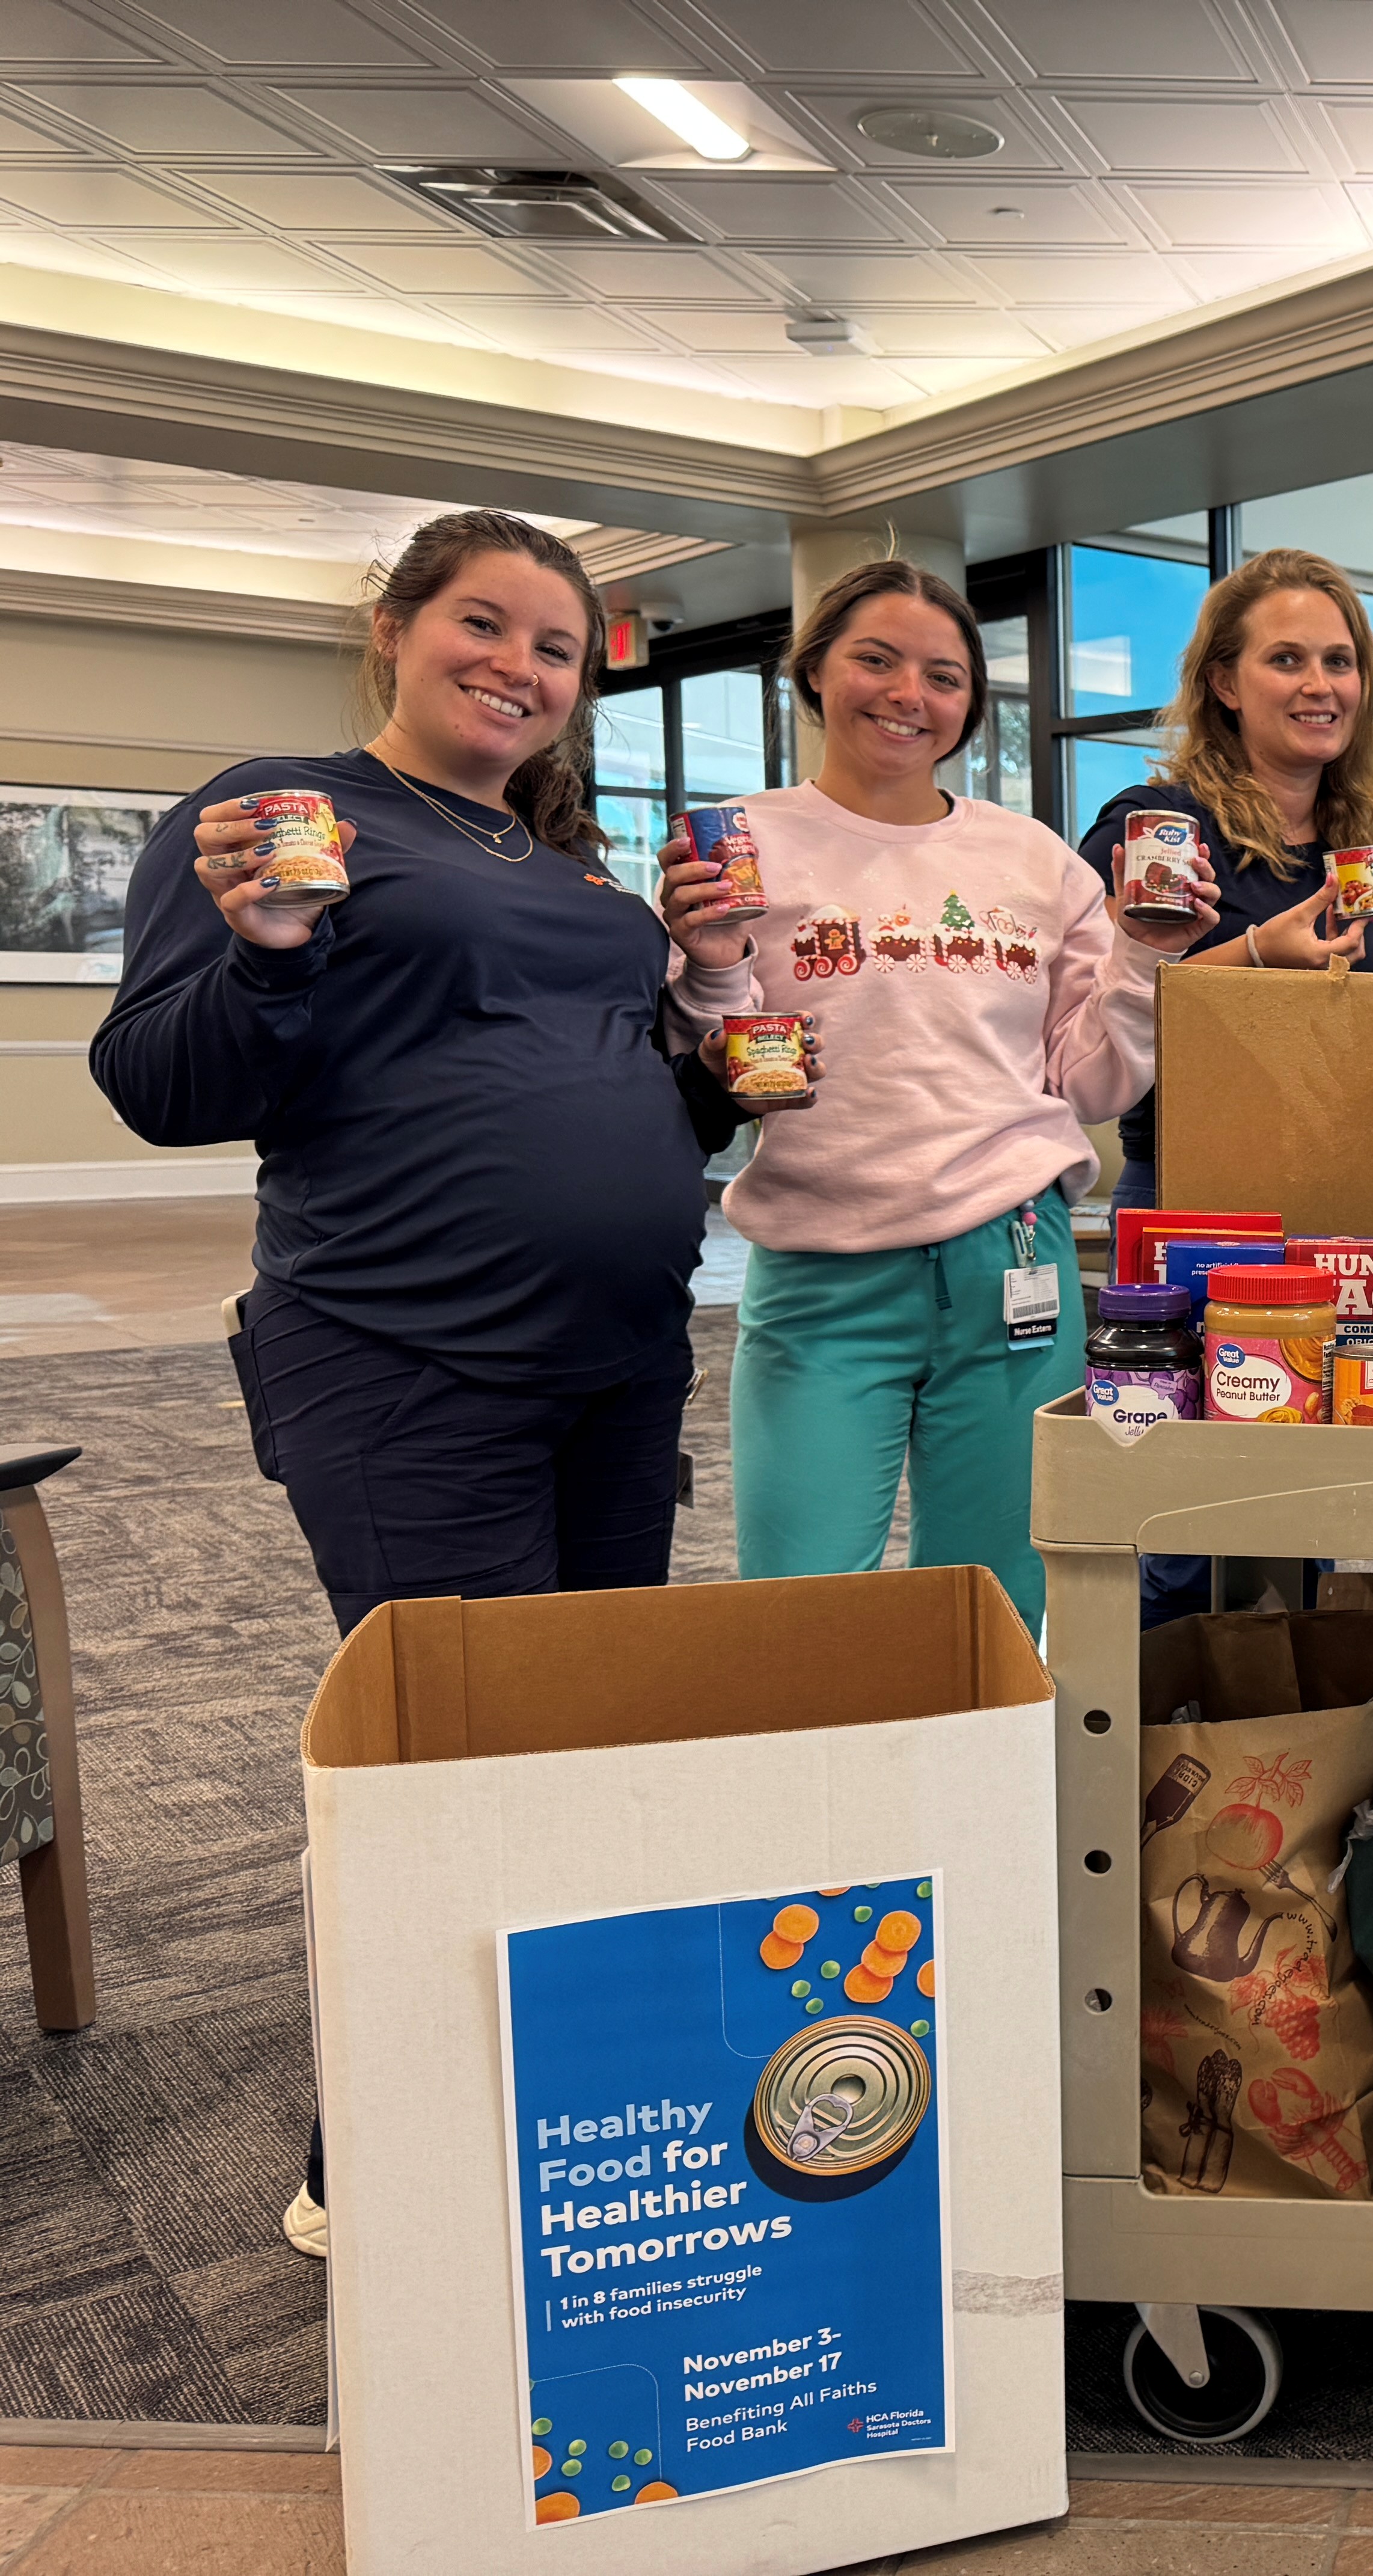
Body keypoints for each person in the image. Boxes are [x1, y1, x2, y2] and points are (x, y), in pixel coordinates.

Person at [93, 508, 762, 2262]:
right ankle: (370, 2160)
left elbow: (657, 1108)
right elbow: (160, 1086)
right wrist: (264, 953)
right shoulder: (280, 815)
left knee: (581, 1752)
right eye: (483, 624)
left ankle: (559, 2108)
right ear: (390, 630)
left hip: (617, 1369)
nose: (517, 666)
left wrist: (717, 1037)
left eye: (554, 647)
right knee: (459, 1761)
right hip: (403, 1359)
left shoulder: (569, 874)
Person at [714, 559, 1220, 1634]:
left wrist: (1142, 954)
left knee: (994, 1603)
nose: (909, 693)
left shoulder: (1029, 858)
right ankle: (828, 1805)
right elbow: (709, 1056)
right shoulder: (745, 841)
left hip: (1014, 1262)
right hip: (821, 1269)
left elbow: (1091, 1081)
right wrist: (709, 964)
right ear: (813, 670)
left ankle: (971, 1804)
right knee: (800, 1609)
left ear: (970, 704)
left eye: (943, 675)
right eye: (876, 658)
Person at [1075, 547, 1373, 1213]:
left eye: (1339, 662)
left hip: (1351, 1184)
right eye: (1287, 660)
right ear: (1225, 685)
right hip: (1194, 1187)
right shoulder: (1156, 833)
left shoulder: (1365, 862)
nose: (1320, 685)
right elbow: (1098, 1019)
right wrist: (1256, 956)